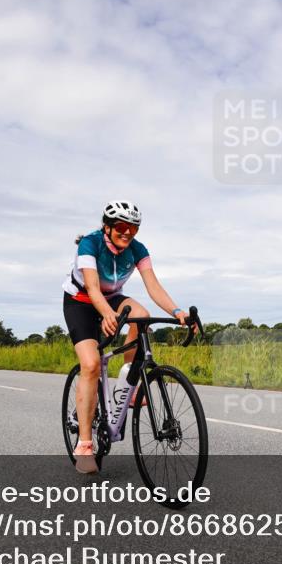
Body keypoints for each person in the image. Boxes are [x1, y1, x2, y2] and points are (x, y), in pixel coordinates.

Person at [63, 200, 189, 474]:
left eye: (134, 228)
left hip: (111, 297)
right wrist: (107, 314)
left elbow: (153, 286)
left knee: (141, 315)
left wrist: (177, 311)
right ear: (107, 227)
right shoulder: (90, 244)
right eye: (122, 227)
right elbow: (93, 288)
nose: (128, 233)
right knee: (91, 365)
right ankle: (84, 445)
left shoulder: (138, 250)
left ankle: (130, 380)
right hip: (81, 301)